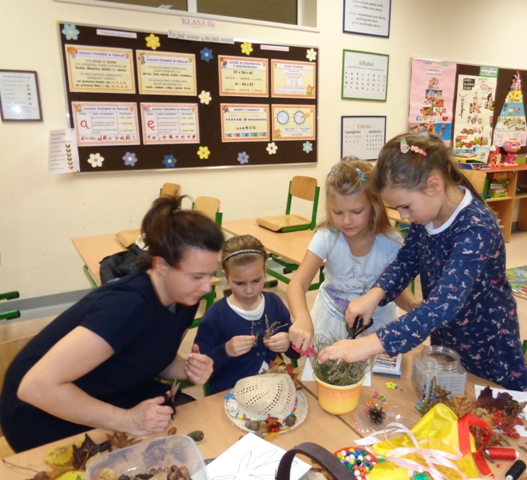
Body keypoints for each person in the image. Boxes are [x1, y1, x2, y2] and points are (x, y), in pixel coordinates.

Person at [0, 195, 223, 452]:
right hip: (43, 415)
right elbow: (35, 388)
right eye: (197, 276)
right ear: (161, 265)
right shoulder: (127, 308)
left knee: (191, 426)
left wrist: (186, 369)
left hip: (105, 391)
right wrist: (127, 420)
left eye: (211, 274)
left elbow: (153, 356)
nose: (207, 287)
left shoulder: (184, 295)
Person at [317, 133, 527, 391]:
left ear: (433, 185)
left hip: (487, 346)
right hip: (446, 337)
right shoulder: (426, 214)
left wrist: (366, 344)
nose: (404, 216)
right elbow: (407, 261)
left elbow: (443, 303)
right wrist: (375, 294)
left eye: (405, 206)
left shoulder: (476, 228)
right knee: (449, 399)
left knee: (489, 404)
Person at [288, 156, 418, 352]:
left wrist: (413, 304)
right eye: (337, 212)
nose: (346, 221)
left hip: (377, 323)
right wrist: (301, 318)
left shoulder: (390, 242)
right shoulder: (326, 237)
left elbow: (396, 289)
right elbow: (297, 284)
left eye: (356, 212)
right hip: (331, 319)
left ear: (374, 205)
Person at [194, 235, 299, 394]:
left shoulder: (274, 303)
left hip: (274, 387)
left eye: (256, 281)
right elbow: (199, 368)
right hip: (231, 392)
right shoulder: (216, 316)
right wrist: (225, 350)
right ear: (225, 275)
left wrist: (289, 342)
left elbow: (296, 353)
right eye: (239, 283)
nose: (249, 290)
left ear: (265, 269)